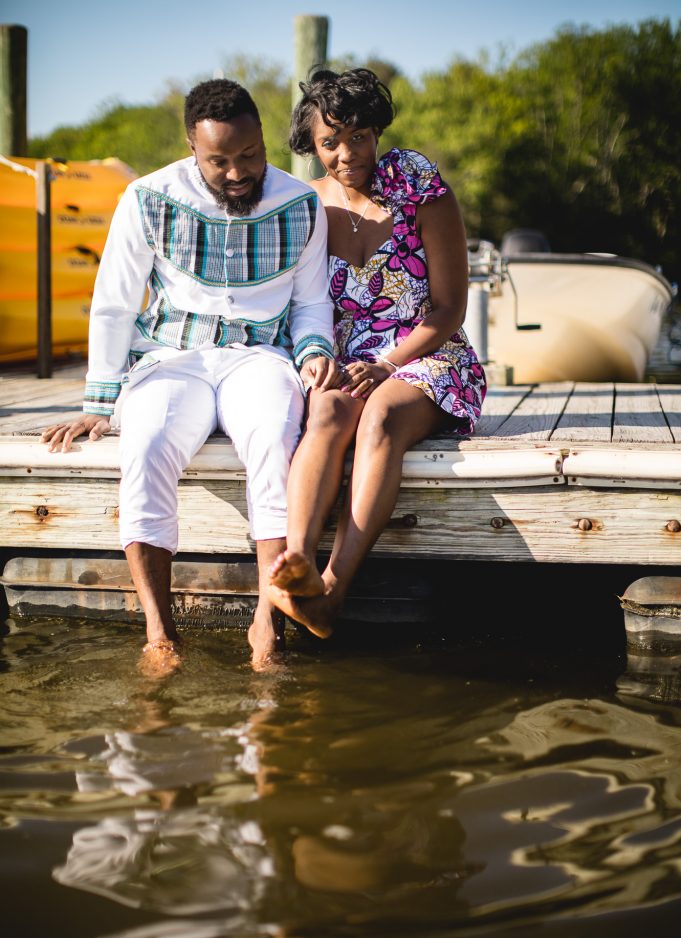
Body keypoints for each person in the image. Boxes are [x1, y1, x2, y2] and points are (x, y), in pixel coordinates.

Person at [42, 79, 336, 674]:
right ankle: (158, 632)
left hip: (260, 358)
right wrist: (99, 402)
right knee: (146, 443)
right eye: (218, 161)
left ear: (262, 138)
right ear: (190, 148)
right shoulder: (148, 198)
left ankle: (267, 621)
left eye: (248, 155)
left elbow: (310, 303)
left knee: (276, 440)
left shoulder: (301, 204)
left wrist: (312, 350)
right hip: (172, 358)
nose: (236, 172)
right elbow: (115, 303)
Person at [268, 68, 487, 638]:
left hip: (429, 355)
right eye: (330, 142)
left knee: (382, 415)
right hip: (349, 361)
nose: (346, 154)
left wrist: (389, 363)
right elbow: (296, 307)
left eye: (359, 136)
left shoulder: (416, 182)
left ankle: (334, 591)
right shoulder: (305, 205)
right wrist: (319, 360)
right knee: (325, 411)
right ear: (311, 147)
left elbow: (448, 308)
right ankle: (295, 570)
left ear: (376, 133)